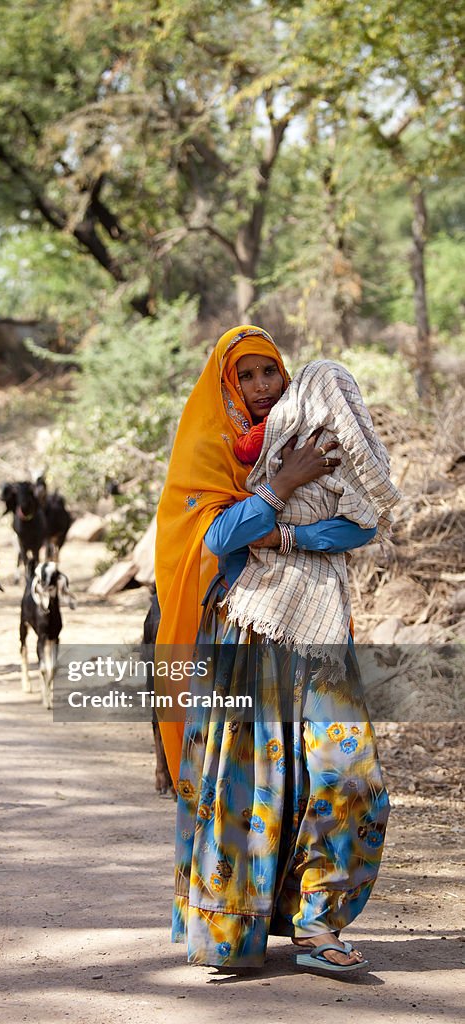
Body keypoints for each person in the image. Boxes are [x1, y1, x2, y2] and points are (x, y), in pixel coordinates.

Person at [155, 325, 399, 974]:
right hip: (244, 631)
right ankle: (232, 932)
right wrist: (280, 484)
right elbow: (218, 539)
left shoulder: (313, 434)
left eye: (272, 372)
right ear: (226, 384)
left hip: (315, 627)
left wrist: (291, 538)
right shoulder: (208, 451)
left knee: (349, 776)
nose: (263, 387)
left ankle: (318, 921)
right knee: (248, 785)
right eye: (248, 376)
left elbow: (356, 525)